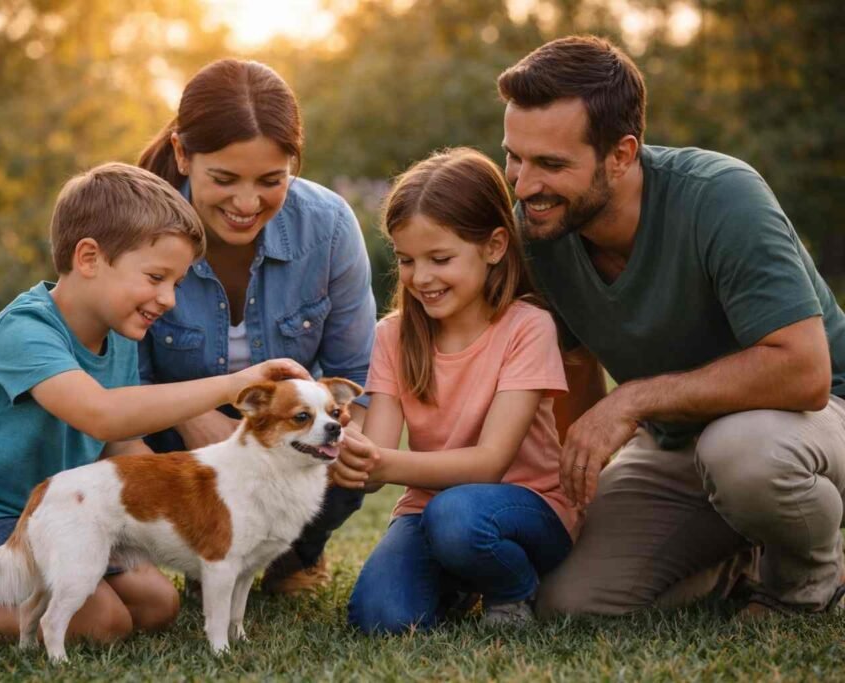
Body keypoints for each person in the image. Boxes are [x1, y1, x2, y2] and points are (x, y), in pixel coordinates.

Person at [0, 163, 309, 638]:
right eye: (156, 277)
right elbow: (101, 416)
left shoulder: (119, 338)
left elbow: (121, 447)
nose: (169, 299)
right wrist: (233, 385)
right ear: (89, 258)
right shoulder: (26, 331)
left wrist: (200, 497)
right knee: (101, 622)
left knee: (158, 603)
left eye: (176, 284)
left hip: (57, 518)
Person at [497, 35, 845, 618]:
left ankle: (807, 583)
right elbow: (574, 366)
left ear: (621, 154)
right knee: (570, 603)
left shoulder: (722, 196)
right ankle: (742, 556)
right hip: (678, 443)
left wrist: (634, 399)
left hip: (815, 420)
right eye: (515, 156)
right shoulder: (541, 227)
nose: (524, 184)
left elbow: (806, 372)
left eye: (551, 164)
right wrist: (576, 484)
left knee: (744, 455)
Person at [136, 59, 377, 594]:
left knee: (345, 451)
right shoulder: (136, 226)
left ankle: (296, 555)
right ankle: (196, 550)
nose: (247, 204)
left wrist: (349, 435)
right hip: (170, 432)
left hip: (285, 425)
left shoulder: (329, 226)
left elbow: (356, 371)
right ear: (182, 154)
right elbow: (120, 380)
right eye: (224, 179)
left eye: (271, 181)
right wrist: (197, 418)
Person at [334, 148, 577, 633]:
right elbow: (376, 464)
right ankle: (463, 575)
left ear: (494, 246)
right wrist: (351, 452)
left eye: (440, 259)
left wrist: (385, 464)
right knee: (381, 619)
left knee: (456, 516)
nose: (421, 277)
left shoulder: (527, 327)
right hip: (429, 512)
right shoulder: (393, 335)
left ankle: (514, 587)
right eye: (406, 260)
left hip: (527, 509)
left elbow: (490, 463)